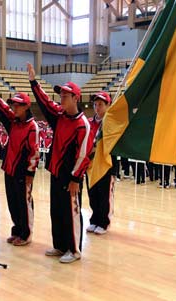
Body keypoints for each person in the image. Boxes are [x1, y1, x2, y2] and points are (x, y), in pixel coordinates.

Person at [28, 63, 92, 263]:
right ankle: (59, 245)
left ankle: (74, 250)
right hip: (55, 172)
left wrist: (75, 178)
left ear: (76, 98)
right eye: (61, 95)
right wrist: (33, 83)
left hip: (71, 176)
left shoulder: (83, 125)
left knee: (71, 213)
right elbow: (45, 102)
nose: (61, 99)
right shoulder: (59, 116)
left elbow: (84, 155)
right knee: (56, 210)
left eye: (65, 95)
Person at [0, 76, 39, 246]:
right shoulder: (13, 121)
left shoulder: (32, 126)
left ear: (27, 107)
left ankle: (26, 234)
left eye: (18, 105)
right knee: (13, 202)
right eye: (14, 104)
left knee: (24, 203)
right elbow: (1, 106)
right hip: (9, 169)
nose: (14, 107)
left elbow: (35, 153)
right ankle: (17, 230)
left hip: (23, 172)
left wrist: (30, 173)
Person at [86, 91, 114, 235]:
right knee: (92, 194)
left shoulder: (110, 123)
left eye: (101, 104)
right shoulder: (89, 123)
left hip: (104, 165)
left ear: (108, 105)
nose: (97, 107)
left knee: (104, 195)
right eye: (95, 104)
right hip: (90, 165)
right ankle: (94, 220)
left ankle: (104, 222)